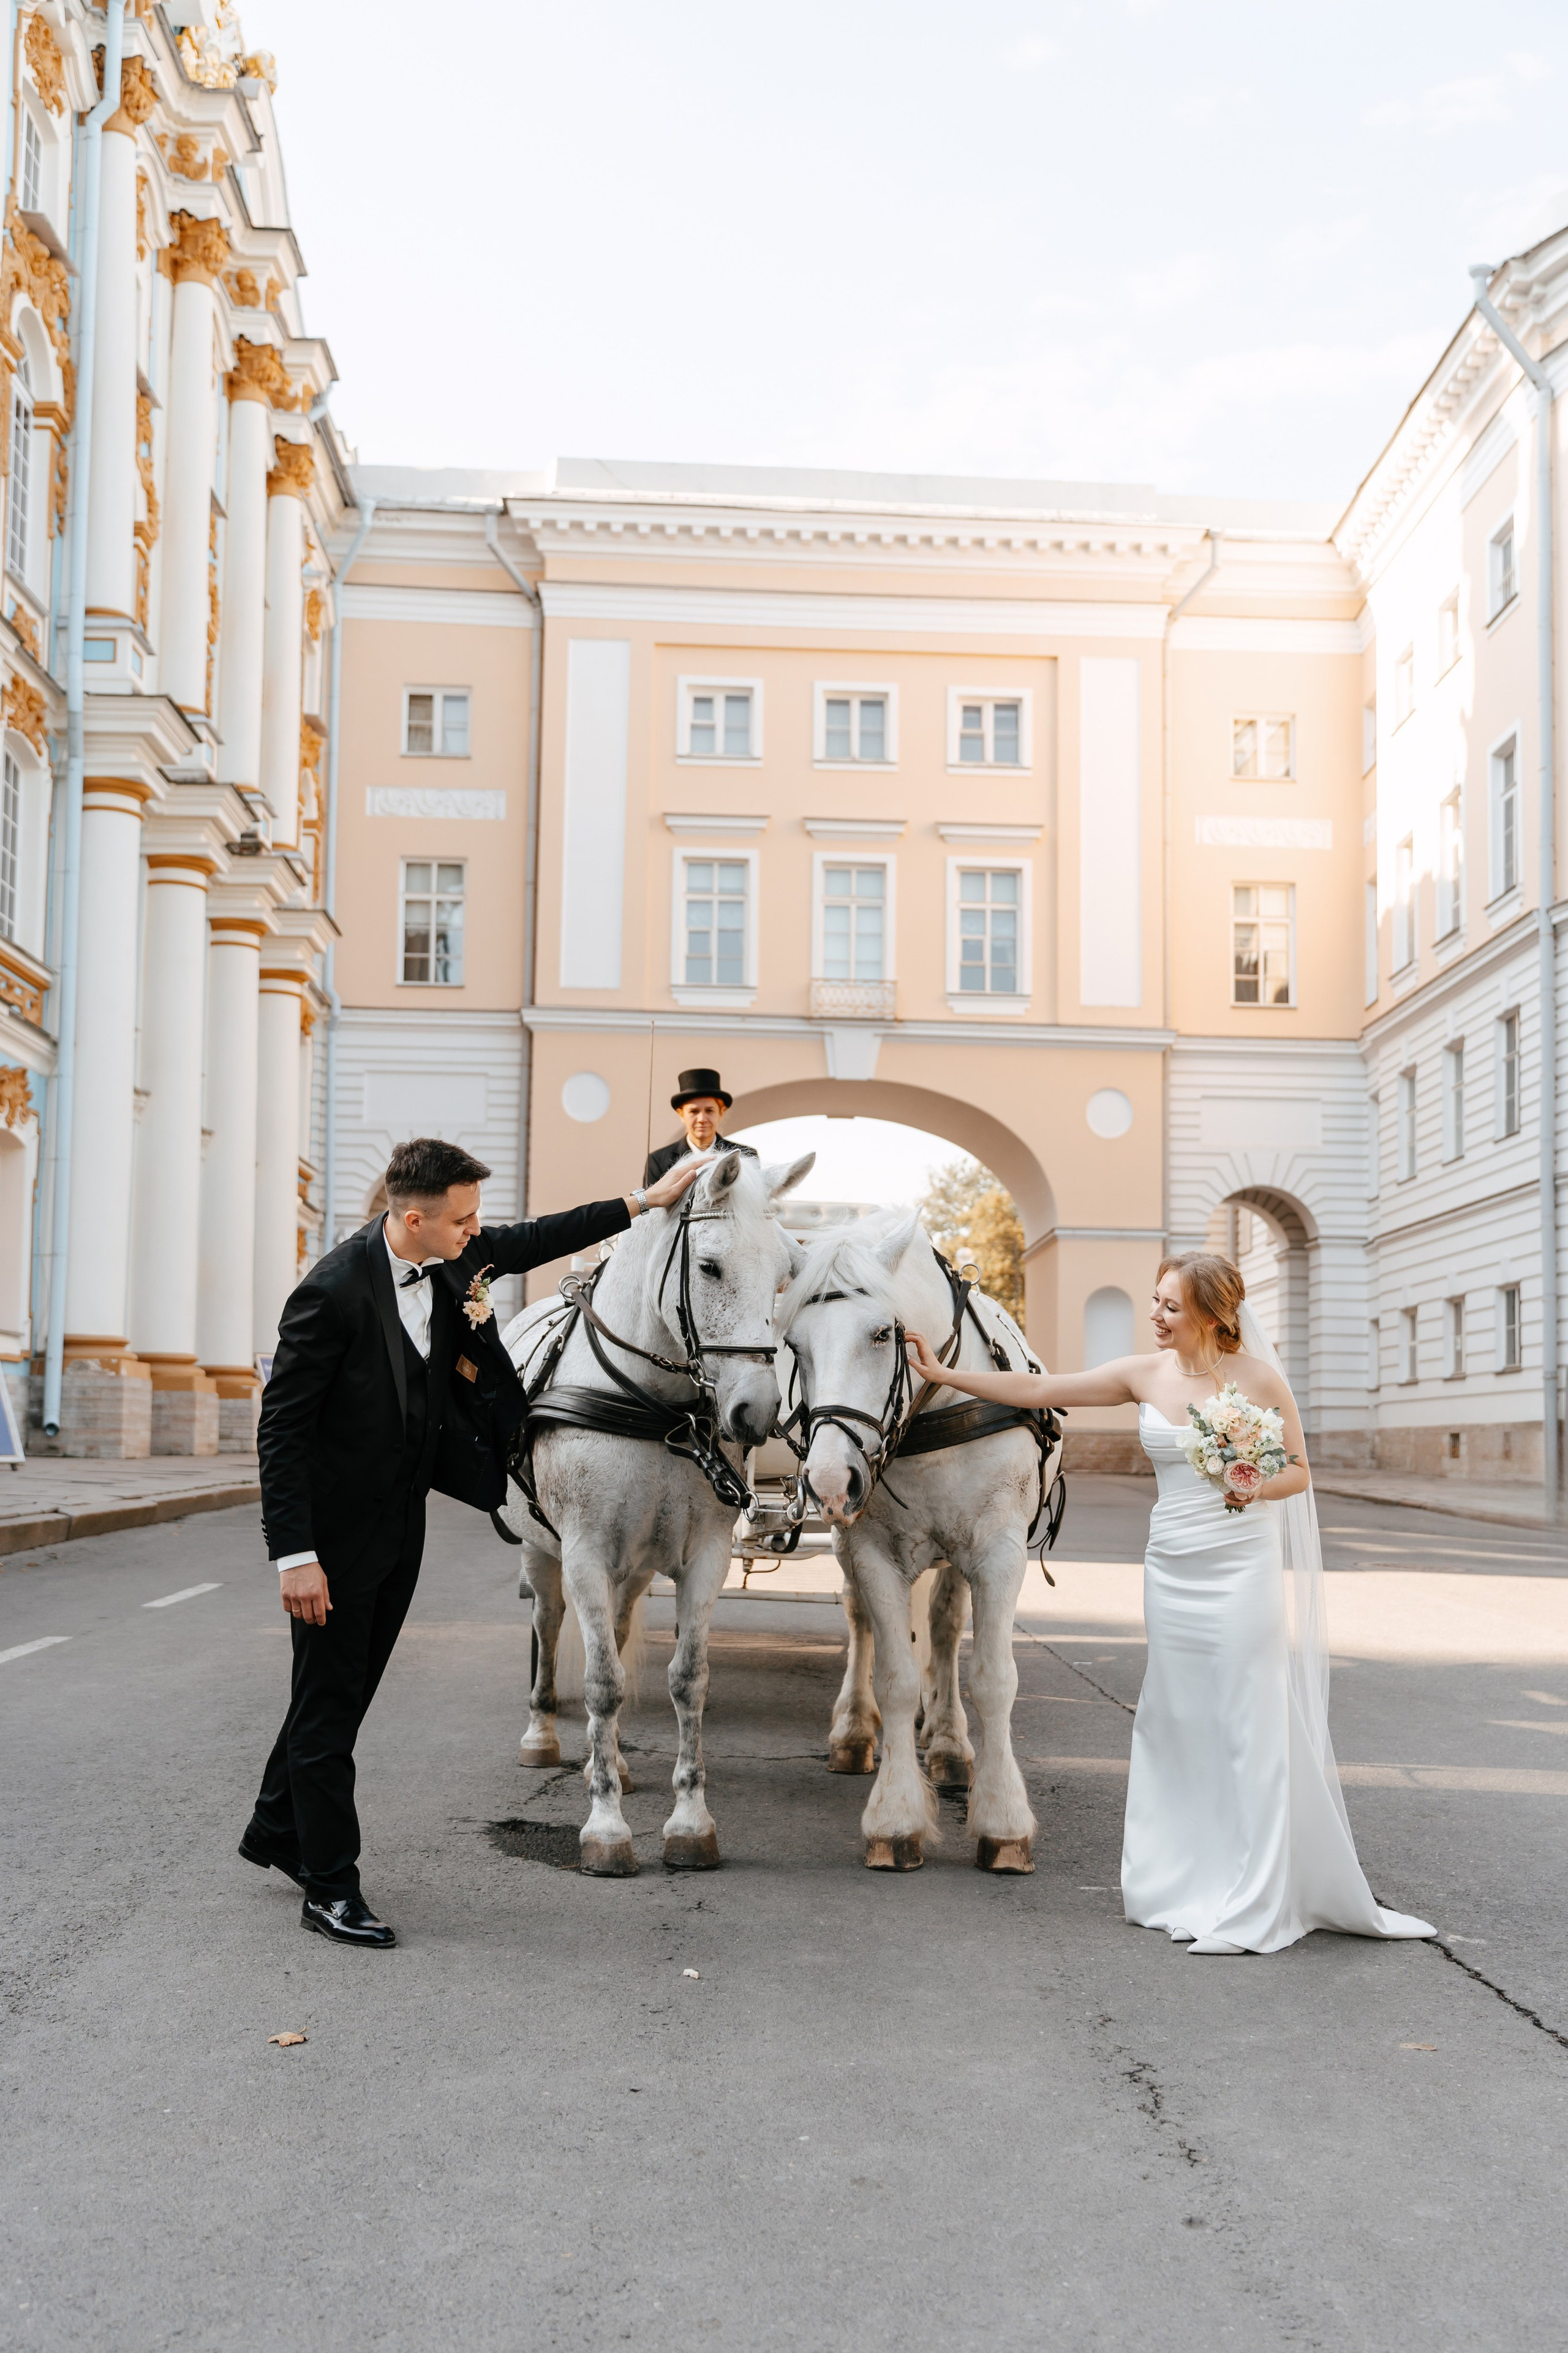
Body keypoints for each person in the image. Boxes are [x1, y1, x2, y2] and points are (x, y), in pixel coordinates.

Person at [240, 1135, 706, 1948]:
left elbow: (537, 1237)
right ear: (413, 1217)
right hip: (335, 1533)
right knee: (326, 1708)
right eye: (462, 1218)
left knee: (338, 1694)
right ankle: (329, 1884)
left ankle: (277, 1828)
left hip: (402, 1519)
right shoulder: (331, 1293)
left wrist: (645, 1202)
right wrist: (295, 1554)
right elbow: (281, 1432)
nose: (475, 1230)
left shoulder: (453, 1258)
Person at [906, 1251, 1433, 1957]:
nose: (1154, 1315)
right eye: (1154, 1302)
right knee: (1176, 1717)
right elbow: (1041, 1388)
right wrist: (944, 1375)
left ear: (1213, 1315)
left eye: (1169, 1307)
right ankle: (1183, 1881)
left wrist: (1251, 1482)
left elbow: (1299, 1472)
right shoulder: (1141, 1374)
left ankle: (1256, 1891)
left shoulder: (1259, 1381)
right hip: (1172, 1569)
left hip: (1239, 1567)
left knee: (1246, 1717)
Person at [642, 1068, 757, 1188]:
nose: (702, 1119)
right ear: (682, 1115)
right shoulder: (658, 1161)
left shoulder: (746, 1156)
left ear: (721, 1113)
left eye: (709, 1110)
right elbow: (651, 1205)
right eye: (694, 1111)